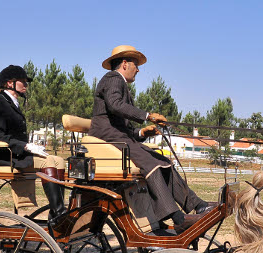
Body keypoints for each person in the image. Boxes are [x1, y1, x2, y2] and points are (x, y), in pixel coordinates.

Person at [89, 45, 215, 233]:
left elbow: (123, 127)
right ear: (124, 64)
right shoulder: (113, 79)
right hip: (107, 137)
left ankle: (198, 205)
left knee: (162, 160)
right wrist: (147, 115)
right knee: (151, 163)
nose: (138, 69)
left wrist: (142, 133)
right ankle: (177, 217)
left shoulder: (118, 83)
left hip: (118, 137)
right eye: (136, 65)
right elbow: (116, 106)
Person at [0, 65, 68, 228]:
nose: (26, 85)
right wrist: (25, 146)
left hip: (12, 152)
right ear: (9, 84)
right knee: (48, 162)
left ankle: (55, 213)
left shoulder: (11, 103)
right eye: (22, 81)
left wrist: (28, 146)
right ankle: (59, 212)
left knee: (58, 161)